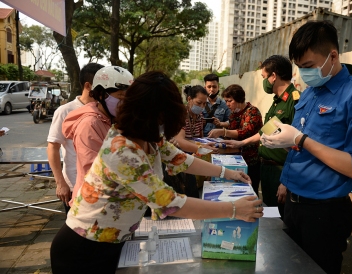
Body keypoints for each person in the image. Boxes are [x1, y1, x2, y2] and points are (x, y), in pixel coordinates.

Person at [50, 71, 263, 273]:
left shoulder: (148, 135)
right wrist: (233, 209)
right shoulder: (122, 150)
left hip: (112, 240)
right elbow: (168, 202)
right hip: (83, 248)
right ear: (157, 114)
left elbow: (181, 159)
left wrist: (228, 173)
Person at [261, 21, 352, 274]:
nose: (304, 73)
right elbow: (301, 150)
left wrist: (300, 140)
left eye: (308, 66)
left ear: (333, 55)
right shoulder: (310, 93)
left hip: (324, 213)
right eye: (300, 67)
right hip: (293, 204)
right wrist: (285, 156)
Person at [222, 56, 300, 218]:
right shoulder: (277, 102)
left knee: (282, 217)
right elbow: (266, 131)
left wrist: (286, 181)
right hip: (267, 168)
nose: (264, 81)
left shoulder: (294, 100)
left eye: (264, 77)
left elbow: (298, 147)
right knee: (270, 212)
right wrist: (241, 142)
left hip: (281, 170)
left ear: (274, 76)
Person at [62, 66, 134, 207]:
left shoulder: (114, 121)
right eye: (121, 96)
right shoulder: (89, 124)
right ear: (101, 94)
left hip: (111, 201)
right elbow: (94, 171)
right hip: (92, 204)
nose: (125, 102)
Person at [47, 63, 104, 214]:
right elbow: (53, 147)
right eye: (103, 85)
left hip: (101, 185)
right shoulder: (65, 111)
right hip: (74, 184)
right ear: (88, 85)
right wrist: (61, 182)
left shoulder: (105, 110)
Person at [208, 84, 263, 195]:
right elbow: (231, 131)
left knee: (249, 192)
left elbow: (244, 132)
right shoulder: (233, 113)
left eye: (230, 101)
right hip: (234, 160)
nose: (227, 104)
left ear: (239, 99)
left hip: (249, 161)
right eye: (226, 101)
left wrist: (222, 131)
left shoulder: (252, 112)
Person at [173, 85, 217, 154]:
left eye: (204, 103)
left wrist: (204, 145)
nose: (202, 106)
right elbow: (179, 140)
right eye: (199, 103)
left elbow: (200, 138)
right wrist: (201, 148)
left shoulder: (200, 116)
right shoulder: (182, 115)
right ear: (189, 99)